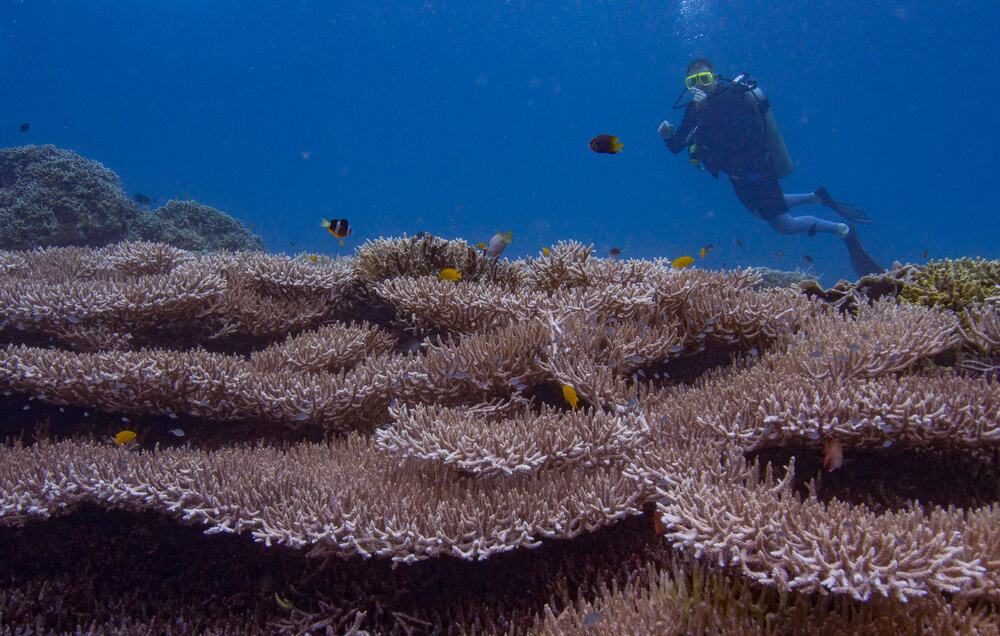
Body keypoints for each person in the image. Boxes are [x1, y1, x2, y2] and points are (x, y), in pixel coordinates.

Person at [658, 58, 884, 278]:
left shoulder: (732, 99)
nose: (699, 86)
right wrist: (668, 137)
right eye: (693, 82)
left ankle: (842, 230)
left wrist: (705, 109)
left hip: (758, 171)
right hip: (737, 178)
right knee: (760, 212)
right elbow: (678, 145)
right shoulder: (693, 109)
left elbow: (737, 133)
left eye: (704, 79)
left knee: (784, 224)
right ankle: (815, 197)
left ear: (715, 79)